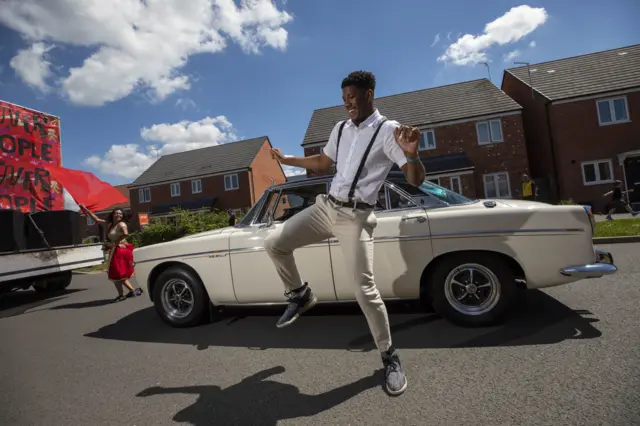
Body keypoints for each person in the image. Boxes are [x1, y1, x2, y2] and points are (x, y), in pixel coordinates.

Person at [265, 70, 426, 396]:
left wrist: (411, 153)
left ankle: (389, 356)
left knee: (364, 289)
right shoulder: (340, 128)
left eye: (351, 98)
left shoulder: (388, 131)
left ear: (369, 94)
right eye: (343, 100)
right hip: (327, 208)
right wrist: (287, 159)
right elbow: (323, 163)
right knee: (275, 243)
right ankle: (300, 295)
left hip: (356, 218)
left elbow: (415, 180)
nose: (347, 104)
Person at [80, 205, 143, 302]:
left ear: (122, 216)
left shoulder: (121, 224)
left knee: (116, 274)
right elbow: (96, 219)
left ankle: (126, 293)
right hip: (116, 250)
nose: (118, 214)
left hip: (121, 250)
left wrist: (116, 241)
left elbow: (126, 233)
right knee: (117, 274)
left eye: (120, 214)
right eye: (117, 213)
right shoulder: (110, 225)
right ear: (113, 214)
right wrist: (85, 209)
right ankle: (130, 291)